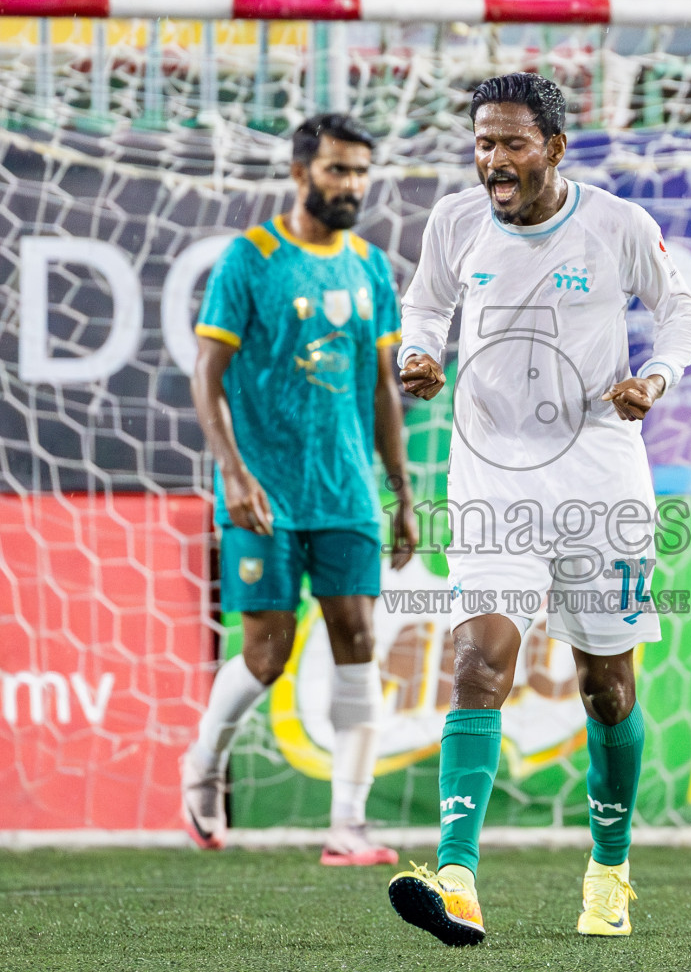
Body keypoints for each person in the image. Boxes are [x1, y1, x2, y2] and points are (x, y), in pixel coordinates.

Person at [387, 73, 691, 946]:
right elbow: (427, 304)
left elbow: (680, 311)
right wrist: (419, 353)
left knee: (608, 689)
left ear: (555, 149)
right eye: (484, 142)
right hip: (490, 474)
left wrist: (655, 378)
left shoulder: (615, 225)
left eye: (512, 143)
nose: (493, 160)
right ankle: (456, 878)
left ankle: (609, 873)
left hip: (600, 476)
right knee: (478, 664)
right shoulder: (453, 221)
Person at [180, 114, 417, 866]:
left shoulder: (371, 266)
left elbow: (382, 387)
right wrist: (233, 472)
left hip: (346, 490)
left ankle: (348, 824)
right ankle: (204, 765)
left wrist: (403, 492)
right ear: (300, 173)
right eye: (337, 171)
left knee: (358, 641)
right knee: (265, 653)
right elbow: (206, 377)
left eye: (359, 173)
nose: (351, 186)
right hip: (264, 492)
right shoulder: (250, 261)